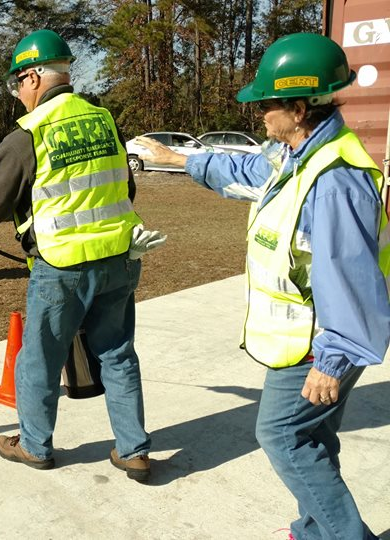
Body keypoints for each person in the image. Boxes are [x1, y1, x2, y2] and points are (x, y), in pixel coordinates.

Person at [135, 33, 389, 539]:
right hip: (312, 336)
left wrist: (331, 361)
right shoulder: (296, 155)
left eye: (268, 105)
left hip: (318, 343)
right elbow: (248, 167)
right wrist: (180, 158)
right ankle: (315, 530)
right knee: (312, 437)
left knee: (281, 435)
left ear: (297, 108)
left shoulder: (334, 177)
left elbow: (350, 276)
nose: (261, 115)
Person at [0, 29, 160, 481]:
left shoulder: (28, 135)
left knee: (38, 358)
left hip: (61, 267)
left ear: (37, 77)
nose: (18, 92)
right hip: (119, 259)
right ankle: (134, 449)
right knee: (118, 355)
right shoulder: (103, 119)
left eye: (18, 81)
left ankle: (35, 446)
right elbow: (126, 186)